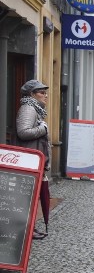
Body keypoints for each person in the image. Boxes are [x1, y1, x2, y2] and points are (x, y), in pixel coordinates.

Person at [15, 79, 52, 239]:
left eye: (45, 92)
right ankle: (26, 230)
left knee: (31, 196)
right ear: (31, 94)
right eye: (42, 92)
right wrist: (42, 129)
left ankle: (30, 228)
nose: (46, 95)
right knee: (27, 196)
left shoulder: (35, 108)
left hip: (34, 160)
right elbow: (23, 132)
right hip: (29, 160)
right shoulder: (28, 108)